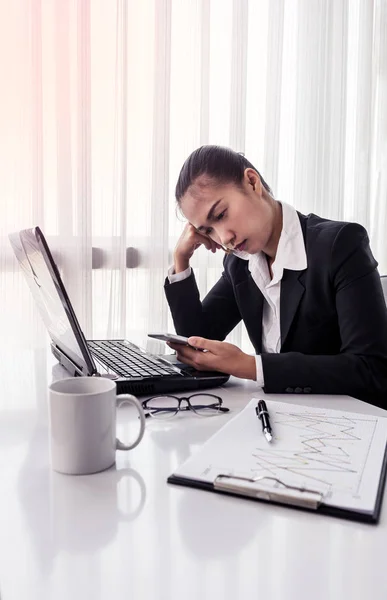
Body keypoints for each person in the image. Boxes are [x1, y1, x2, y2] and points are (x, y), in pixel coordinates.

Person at [164, 145, 387, 407]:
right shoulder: (240, 264)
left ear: (252, 181)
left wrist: (250, 366)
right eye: (208, 231)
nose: (224, 238)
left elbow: (371, 369)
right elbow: (196, 345)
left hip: (347, 426)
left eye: (222, 215)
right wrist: (181, 260)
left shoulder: (341, 245)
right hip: (280, 418)